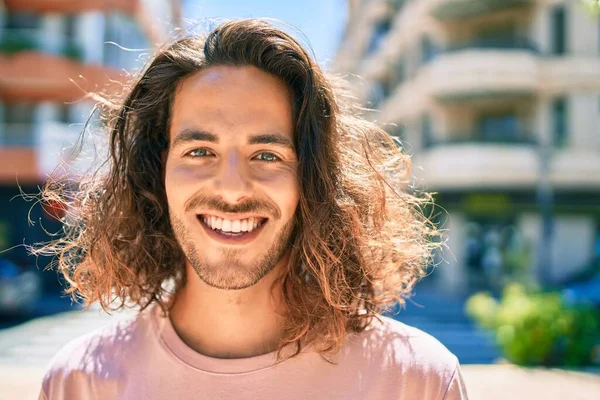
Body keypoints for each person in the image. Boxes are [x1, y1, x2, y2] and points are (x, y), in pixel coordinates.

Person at [37, 19, 469, 399]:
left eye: (267, 155)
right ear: (156, 175)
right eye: (200, 151)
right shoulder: (80, 383)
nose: (232, 188)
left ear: (314, 182)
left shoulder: (415, 380)